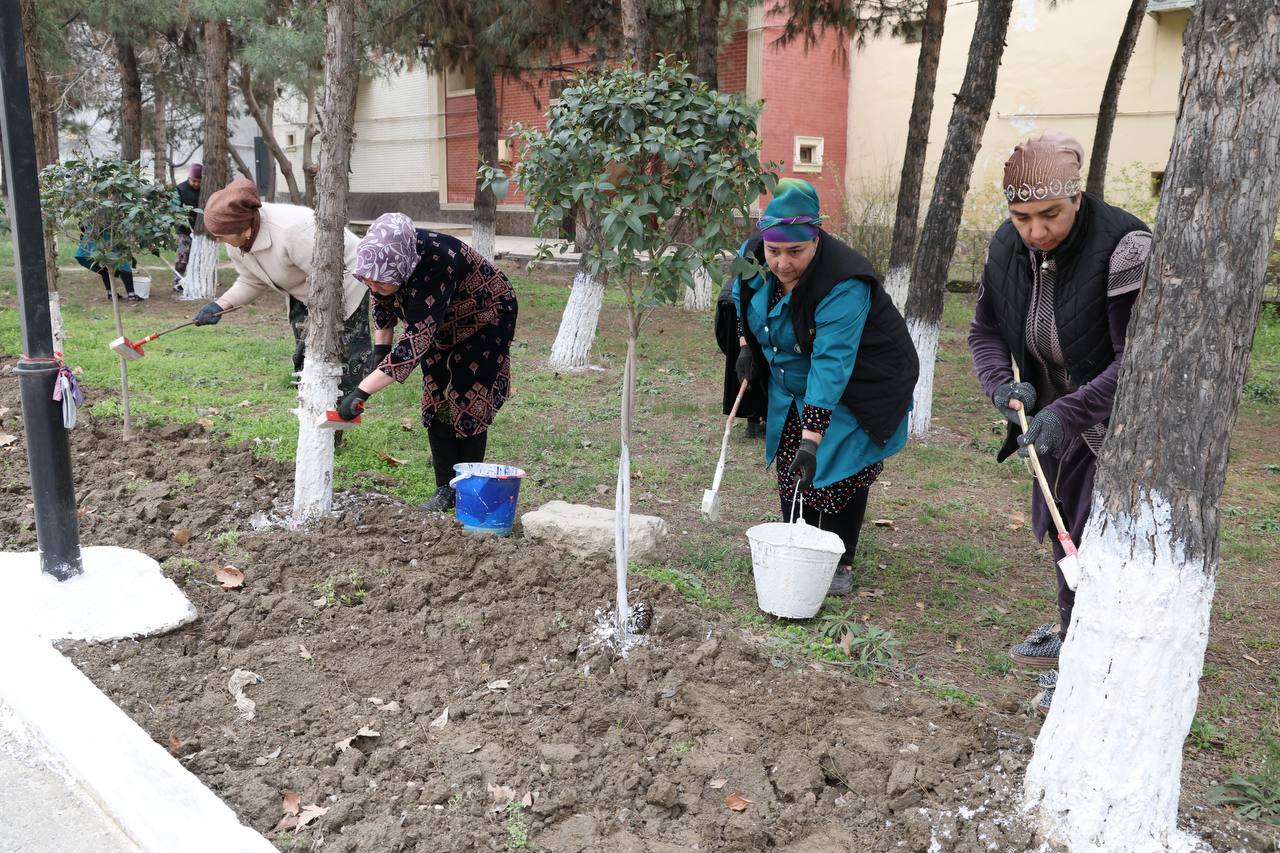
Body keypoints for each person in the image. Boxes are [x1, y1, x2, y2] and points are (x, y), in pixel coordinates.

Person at [968, 131, 1151, 714]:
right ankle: (1073, 637)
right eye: (1021, 217)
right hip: (1049, 418)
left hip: (1111, 429)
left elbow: (1136, 363)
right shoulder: (1008, 247)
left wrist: (1068, 413)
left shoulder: (1125, 247)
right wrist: (1003, 388)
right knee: (1064, 531)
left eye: (1050, 215)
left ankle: (1092, 665)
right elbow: (985, 331)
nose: (1036, 231)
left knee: (1097, 543)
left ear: (1077, 197)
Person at [733, 179, 918, 596]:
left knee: (837, 466)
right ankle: (796, 544)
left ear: (815, 239)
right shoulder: (753, 254)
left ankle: (838, 558)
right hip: (793, 378)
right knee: (790, 458)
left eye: (795, 252)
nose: (781, 263)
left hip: (862, 381)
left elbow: (832, 364)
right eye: (774, 251)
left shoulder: (843, 282)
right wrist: (745, 343)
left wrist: (812, 438)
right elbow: (741, 295)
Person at [335, 213, 518, 512]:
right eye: (368, 280)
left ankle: (467, 489)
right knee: (436, 396)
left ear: (404, 269)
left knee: (468, 397)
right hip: (440, 322)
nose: (373, 286)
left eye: (380, 282)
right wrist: (380, 352)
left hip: (485, 317)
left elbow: (414, 344)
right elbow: (382, 303)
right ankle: (445, 489)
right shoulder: (383, 259)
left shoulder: (437, 263)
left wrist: (361, 392)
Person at [190, 179, 373, 399]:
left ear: (244, 228)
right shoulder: (236, 242)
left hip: (346, 281)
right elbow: (251, 280)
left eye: (220, 234)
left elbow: (330, 279)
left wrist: (321, 327)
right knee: (307, 361)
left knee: (343, 363)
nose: (217, 239)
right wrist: (220, 305)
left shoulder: (292, 231)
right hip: (305, 290)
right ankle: (314, 408)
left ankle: (346, 407)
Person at [714, 276, 767, 438]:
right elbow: (740, 297)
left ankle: (758, 418)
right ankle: (757, 418)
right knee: (751, 363)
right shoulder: (753, 276)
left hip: (737, 300)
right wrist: (744, 343)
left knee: (753, 361)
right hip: (741, 304)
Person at [76, 231, 140, 302]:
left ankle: (111, 294)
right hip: (104, 239)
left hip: (89, 245)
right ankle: (131, 295)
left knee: (105, 268)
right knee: (124, 266)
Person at [172, 163, 201, 294]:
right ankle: (178, 282)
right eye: (194, 181)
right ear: (189, 177)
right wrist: (183, 218)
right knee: (183, 257)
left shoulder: (204, 190)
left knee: (197, 258)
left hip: (199, 230)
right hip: (183, 229)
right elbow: (175, 207)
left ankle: (194, 281)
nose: (196, 184)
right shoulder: (180, 189)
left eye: (199, 181)